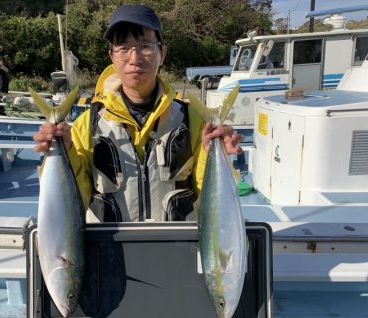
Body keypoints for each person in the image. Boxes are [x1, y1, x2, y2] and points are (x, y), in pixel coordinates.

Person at [33, 4, 243, 223]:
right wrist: (63, 151)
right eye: (123, 48)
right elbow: (76, 199)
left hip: (176, 250)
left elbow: (208, 197)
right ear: (112, 56)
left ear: (162, 53)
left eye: (145, 46)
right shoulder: (87, 124)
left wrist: (219, 158)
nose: (134, 58)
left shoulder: (193, 121)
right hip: (109, 252)